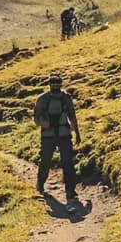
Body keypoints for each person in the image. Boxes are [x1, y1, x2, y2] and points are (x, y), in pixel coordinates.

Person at [34, 72, 80, 200]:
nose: (55, 86)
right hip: (63, 134)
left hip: (49, 135)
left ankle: (41, 185)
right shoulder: (66, 98)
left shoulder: (42, 99)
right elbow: (72, 116)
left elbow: (36, 119)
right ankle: (70, 191)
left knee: (46, 161)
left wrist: (45, 124)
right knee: (67, 163)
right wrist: (77, 133)